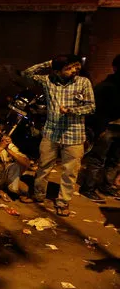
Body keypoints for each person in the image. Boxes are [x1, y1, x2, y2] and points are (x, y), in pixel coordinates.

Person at [22, 55, 95, 216]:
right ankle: (38, 195)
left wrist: (71, 111)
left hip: (74, 134)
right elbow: (26, 73)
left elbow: (91, 107)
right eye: (68, 68)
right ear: (57, 71)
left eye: (75, 67)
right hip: (51, 132)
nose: (74, 70)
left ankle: (63, 202)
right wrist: (50, 62)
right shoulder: (48, 81)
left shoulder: (83, 82)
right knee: (44, 166)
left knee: (70, 171)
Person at [80, 54, 120, 202]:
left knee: (114, 160)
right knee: (97, 159)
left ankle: (106, 186)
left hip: (116, 128)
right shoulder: (106, 86)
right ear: (115, 68)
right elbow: (95, 110)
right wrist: (98, 128)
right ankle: (88, 188)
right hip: (106, 128)